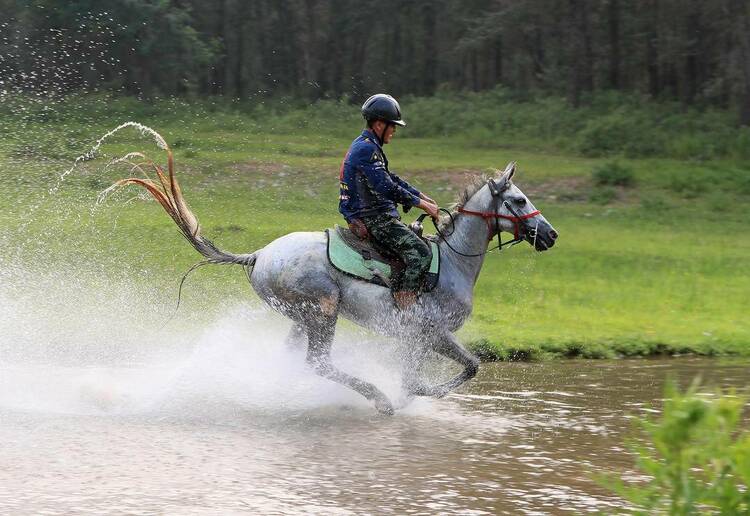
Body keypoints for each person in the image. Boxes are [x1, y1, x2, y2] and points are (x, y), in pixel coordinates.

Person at [338, 93, 439, 309]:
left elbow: (389, 177)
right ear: (379, 124)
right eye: (392, 126)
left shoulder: (367, 145)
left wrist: (419, 195)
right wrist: (422, 205)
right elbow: (385, 187)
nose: (394, 131)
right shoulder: (366, 149)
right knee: (421, 254)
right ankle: (404, 305)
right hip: (376, 219)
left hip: (375, 214)